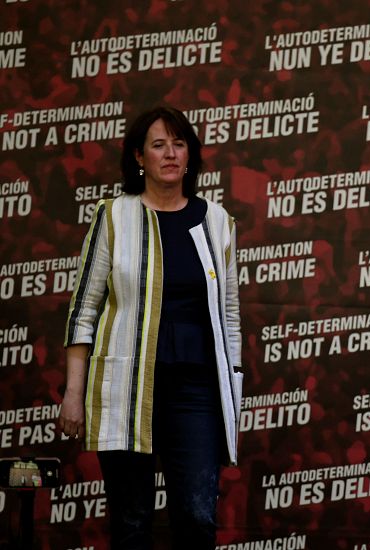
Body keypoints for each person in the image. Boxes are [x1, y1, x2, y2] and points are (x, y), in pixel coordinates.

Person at [58, 106, 243, 549]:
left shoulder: (217, 221)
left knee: (198, 518)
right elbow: (84, 310)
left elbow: (230, 315)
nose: (170, 154)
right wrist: (73, 393)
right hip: (125, 386)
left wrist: (232, 386)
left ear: (191, 155)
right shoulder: (113, 216)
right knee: (131, 522)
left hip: (196, 390)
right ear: (138, 157)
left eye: (179, 144)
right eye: (159, 145)